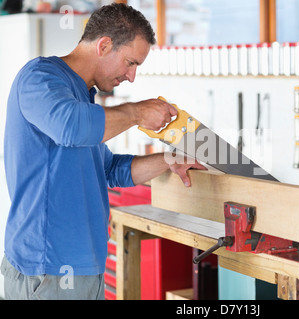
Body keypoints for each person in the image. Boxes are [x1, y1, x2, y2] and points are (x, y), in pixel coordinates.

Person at [1, 3, 205, 300]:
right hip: (50, 270)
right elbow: (70, 126)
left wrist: (169, 159)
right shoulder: (40, 79)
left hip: (84, 267)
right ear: (105, 45)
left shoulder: (83, 98)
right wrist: (135, 112)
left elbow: (109, 170)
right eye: (130, 63)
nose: (132, 76)